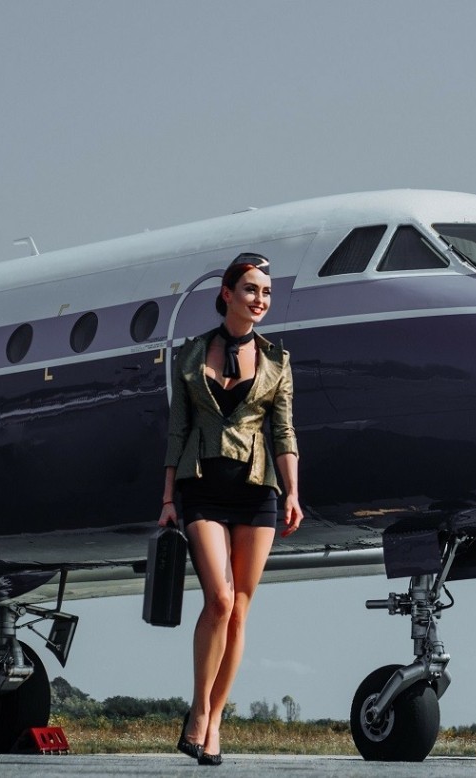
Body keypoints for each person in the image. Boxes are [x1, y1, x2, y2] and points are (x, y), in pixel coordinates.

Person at [159, 252, 302, 766]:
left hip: (257, 489)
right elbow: (177, 429)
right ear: (227, 294)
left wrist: (293, 492)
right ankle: (198, 709)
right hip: (201, 486)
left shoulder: (278, 361)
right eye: (251, 290)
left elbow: (283, 432)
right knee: (218, 600)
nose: (260, 299)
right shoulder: (192, 354)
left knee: (240, 607)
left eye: (266, 292)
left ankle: (215, 722)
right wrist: (168, 498)